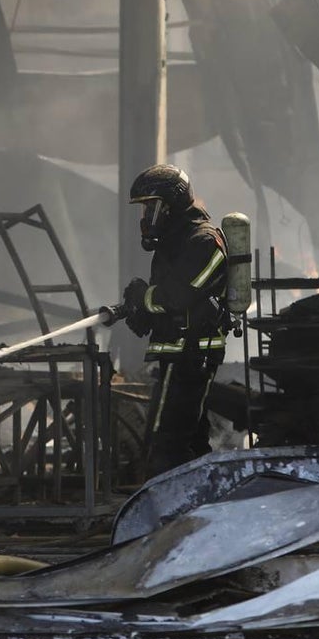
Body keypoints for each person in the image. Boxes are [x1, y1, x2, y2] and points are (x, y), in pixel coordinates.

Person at [121, 165, 228, 479]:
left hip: (191, 353)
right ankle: (202, 499)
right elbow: (166, 299)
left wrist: (143, 297)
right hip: (179, 352)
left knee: (166, 441)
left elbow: (179, 296)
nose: (146, 217)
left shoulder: (204, 241)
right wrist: (144, 312)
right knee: (190, 440)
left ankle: (167, 501)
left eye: (151, 207)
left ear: (172, 204)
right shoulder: (176, 242)